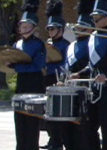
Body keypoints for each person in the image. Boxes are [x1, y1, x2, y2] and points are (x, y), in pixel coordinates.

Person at [76, 0, 107, 149]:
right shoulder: (93, 36)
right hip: (95, 88)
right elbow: (92, 65)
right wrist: (79, 73)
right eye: (94, 17)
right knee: (88, 126)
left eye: (99, 17)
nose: (95, 20)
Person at [12, 0, 46, 149]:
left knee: (32, 124)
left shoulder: (39, 44)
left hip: (34, 85)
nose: (22, 28)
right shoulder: (16, 44)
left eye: (26, 26)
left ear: (33, 27)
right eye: (21, 25)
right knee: (19, 122)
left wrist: (19, 66)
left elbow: (37, 66)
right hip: (21, 85)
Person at [60, 0, 95, 149]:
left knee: (84, 127)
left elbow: (92, 65)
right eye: (78, 26)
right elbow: (66, 66)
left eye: (82, 27)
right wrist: (63, 79)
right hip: (70, 89)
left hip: (85, 89)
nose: (78, 29)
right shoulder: (71, 45)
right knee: (68, 126)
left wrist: (78, 75)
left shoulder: (91, 43)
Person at [41, 1, 70, 149]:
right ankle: (52, 140)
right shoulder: (47, 44)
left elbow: (66, 64)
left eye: (53, 28)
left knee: (57, 113)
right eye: (49, 29)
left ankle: (58, 142)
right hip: (47, 79)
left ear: (61, 29)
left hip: (58, 80)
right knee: (47, 113)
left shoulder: (66, 45)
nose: (50, 31)